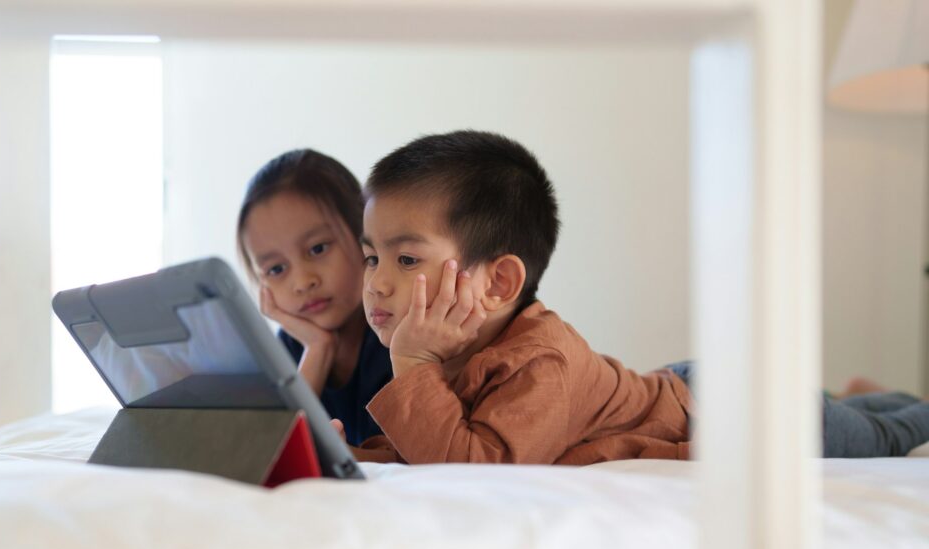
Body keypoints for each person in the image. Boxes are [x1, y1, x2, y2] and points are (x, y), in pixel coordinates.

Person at [352, 130, 693, 465]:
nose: (376, 284)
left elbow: (473, 471)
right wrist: (350, 458)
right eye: (372, 258)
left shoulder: (540, 360)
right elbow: (428, 443)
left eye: (407, 260)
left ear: (497, 284)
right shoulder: (454, 347)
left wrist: (414, 364)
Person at [236, 149, 393, 446]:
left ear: (363, 233)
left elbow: (400, 457)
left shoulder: (394, 333)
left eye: (318, 249)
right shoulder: (293, 346)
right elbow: (274, 449)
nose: (303, 281)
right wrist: (317, 349)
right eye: (277, 269)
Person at [664, 362, 929, 458]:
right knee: (838, 414)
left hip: (714, 410)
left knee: (890, 436)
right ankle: (864, 397)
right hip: (684, 377)